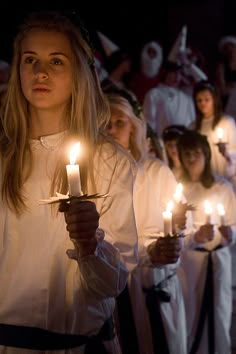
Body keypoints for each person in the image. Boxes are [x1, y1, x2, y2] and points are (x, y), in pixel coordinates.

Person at [0, 10, 139, 354]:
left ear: (79, 72)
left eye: (56, 61)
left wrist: (90, 244)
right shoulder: (4, 160)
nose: (41, 71)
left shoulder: (110, 161)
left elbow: (114, 281)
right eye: (30, 59)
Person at [105, 91, 190, 354]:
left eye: (120, 122)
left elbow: (181, 224)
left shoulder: (156, 172)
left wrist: (170, 243)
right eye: (106, 122)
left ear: (133, 127)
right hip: (115, 290)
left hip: (154, 283)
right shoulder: (97, 175)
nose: (111, 129)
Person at [177, 130, 236, 354]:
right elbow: (175, 229)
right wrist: (194, 237)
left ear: (206, 155)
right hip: (191, 264)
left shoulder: (222, 187)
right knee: (192, 317)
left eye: (196, 153)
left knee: (219, 315)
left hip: (218, 261)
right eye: (186, 153)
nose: (191, 158)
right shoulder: (179, 190)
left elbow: (233, 223)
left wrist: (229, 233)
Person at [192, 80, 236, 186]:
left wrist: (225, 153)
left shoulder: (227, 122)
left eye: (207, 99)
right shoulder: (194, 127)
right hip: (206, 180)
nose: (203, 104)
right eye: (199, 100)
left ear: (214, 99)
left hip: (227, 179)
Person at [143, 61, 195, 138]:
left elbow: (192, 123)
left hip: (184, 143)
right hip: (163, 141)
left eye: (179, 73)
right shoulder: (154, 94)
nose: (177, 76)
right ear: (166, 74)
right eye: (174, 73)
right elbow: (149, 121)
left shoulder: (186, 96)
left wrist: (190, 64)